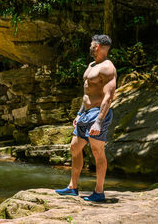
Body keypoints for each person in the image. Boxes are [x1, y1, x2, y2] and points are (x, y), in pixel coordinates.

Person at [55, 34, 117, 202]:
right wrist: (80, 113)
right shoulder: (91, 65)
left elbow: (108, 97)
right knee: (75, 147)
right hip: (86, 114)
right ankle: (72, 188)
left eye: (91, 44)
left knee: (97, 151)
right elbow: (86, 93)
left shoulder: (107, 67)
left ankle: (99, 192)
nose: (89, 46)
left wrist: (98, 121)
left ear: (97, 47)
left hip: (98, 114)